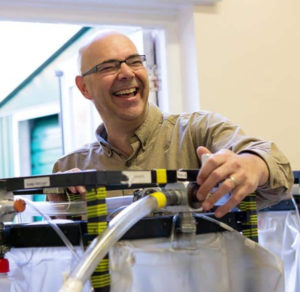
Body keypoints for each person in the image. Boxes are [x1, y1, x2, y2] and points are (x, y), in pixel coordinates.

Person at [53, 31, 293, 218]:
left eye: (134, 61)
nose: (127, 73)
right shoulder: (70, 168)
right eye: (108, 67)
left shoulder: (200, 131)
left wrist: (252, 165)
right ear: (84, 87)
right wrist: (59, 207)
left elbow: (279, 169)